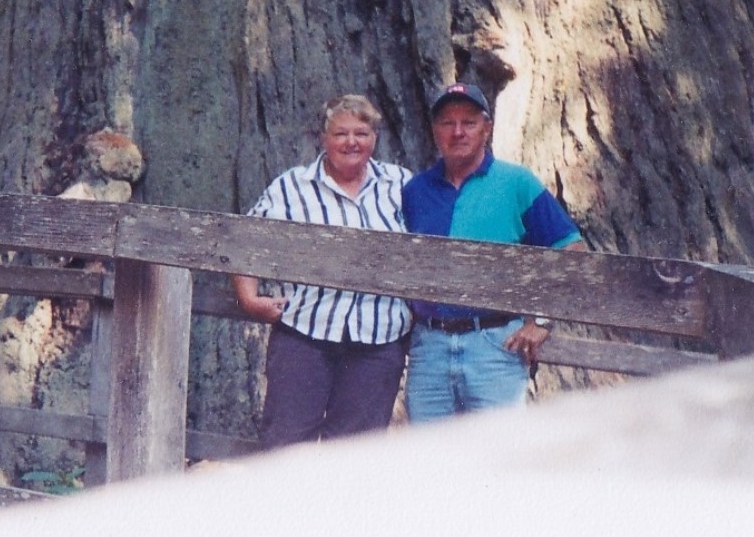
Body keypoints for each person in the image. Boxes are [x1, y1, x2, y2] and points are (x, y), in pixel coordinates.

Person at [233, 94, 414, 450]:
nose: (351, 142)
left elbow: (431, 246)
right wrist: (248, 298)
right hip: (305, 336)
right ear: (323, 138)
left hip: (379, 341)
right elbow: (245, 239)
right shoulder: (292, 186)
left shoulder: (400, 184)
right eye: (341, 133)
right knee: (285, 446)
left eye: (361, 133)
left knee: (353, 454)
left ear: (375, 138)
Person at [401, 82, 588, 419]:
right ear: (434, 130)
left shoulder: (516, 183)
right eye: (447, 122)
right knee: (429, 450)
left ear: (486, 128)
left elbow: (572, 252)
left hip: (495, 344)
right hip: (430, 348)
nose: (458, 132)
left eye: (469, 122)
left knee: (499, 449)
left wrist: (543, 320)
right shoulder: (415, 190)